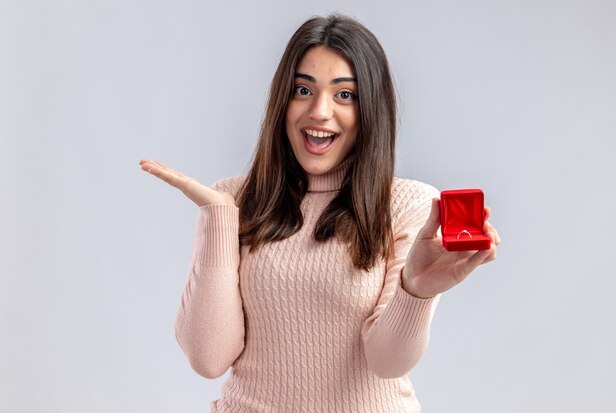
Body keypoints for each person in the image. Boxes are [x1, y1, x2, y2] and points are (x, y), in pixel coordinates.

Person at [139, 14, 500, 413]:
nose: (320, 111)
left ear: (371, 111)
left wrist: (416, 288)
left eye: (344, 95)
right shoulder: (231, 199)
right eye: (302, 89)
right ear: (283, 100)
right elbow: (208, 358)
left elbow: (387, 362)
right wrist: (220, 218)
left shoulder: (408, 205)